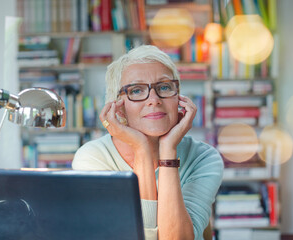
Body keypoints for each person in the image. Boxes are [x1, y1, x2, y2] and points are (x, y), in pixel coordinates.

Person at [72, 45, 224, 240]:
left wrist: (168, 150)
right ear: (118, 107)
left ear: (179, 98)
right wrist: (141, 150)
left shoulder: (204, 158)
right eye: (136, 90)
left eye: (164, 87)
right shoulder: (93, 159)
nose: (154, 99)